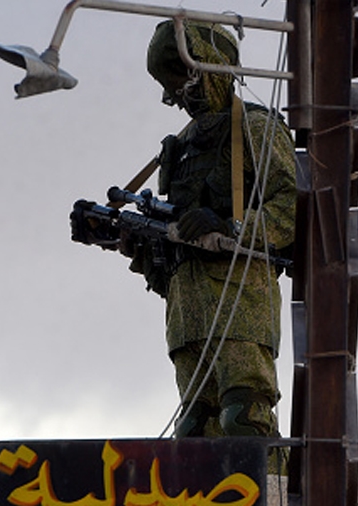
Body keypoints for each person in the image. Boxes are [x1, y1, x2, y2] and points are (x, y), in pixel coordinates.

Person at [124, 20, 297, 440]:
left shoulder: (256, 127)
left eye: (182, 83)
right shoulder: (180, 146)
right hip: (187, 315)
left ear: (210, 71)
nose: (175, 99)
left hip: (241, 303)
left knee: (245, 421)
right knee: (196, 434)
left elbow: (293, 207)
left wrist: (231, 226)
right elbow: (171, 232)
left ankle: (271, 485)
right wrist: (137, 244)